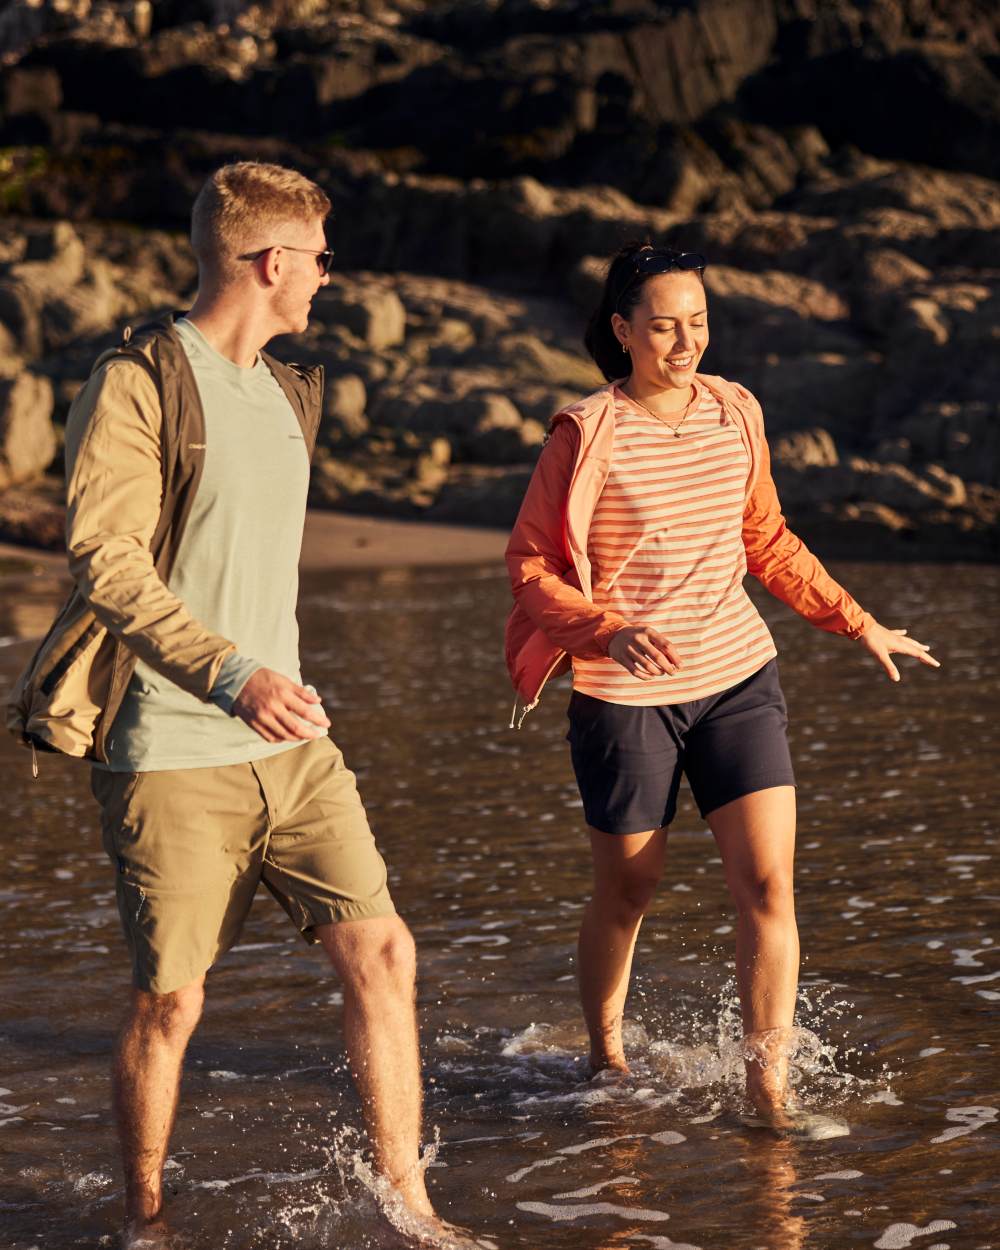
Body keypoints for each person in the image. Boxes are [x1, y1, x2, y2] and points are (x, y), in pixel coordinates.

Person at [9, 162, 460, 1247]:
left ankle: (411, 1209)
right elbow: (106, 561)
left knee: (382, 951)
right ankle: (146, 1220)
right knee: (174, 1003)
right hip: (169, 746)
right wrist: (231, 673)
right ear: (268, 263)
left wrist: (274, 685)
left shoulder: (285, 390)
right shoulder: (137, 380)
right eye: (315, 258)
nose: (326, 276)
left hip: (294, 744)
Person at [504, 242, 940, 1132]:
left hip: (739, 675)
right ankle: (606, 1055)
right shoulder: (586, 432)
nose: (684, 342)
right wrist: (608, 630)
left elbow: (766, 540)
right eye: (663, 326)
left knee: (769, 887)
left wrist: (857, 620)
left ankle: (765, 1092)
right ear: (623, 330)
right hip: (624, 696)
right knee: (629, 890)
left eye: (697, 323)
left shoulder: (736, 410)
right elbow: (531, 568)